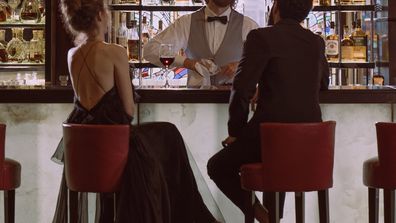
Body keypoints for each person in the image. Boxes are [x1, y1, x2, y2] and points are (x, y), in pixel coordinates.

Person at [51, 0, 220, 222]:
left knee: (164, 137)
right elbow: (129, 110)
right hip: (114, 146)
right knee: (169, 135)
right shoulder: (115, 52)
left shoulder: (71, 55)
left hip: (84, 149)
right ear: (101, 16)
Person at [206, 0, 329, 222]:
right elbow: (323, 84)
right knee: (275, 158)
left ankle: (263, 216)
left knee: (217, 166)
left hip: (269, 139)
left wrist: (235, 131)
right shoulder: (316, 42)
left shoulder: (261, 37)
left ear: (276, 8)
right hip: (309, 144)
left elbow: (242, 88)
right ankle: (273, 217)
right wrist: (275, 81)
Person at [143, 0, 258, 87]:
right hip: (196, 100)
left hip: (233, 101)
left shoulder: (248, 26)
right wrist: (187, 62)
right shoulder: (186, 22)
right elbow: (150, 49)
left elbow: (264, 63)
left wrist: (241, 65)